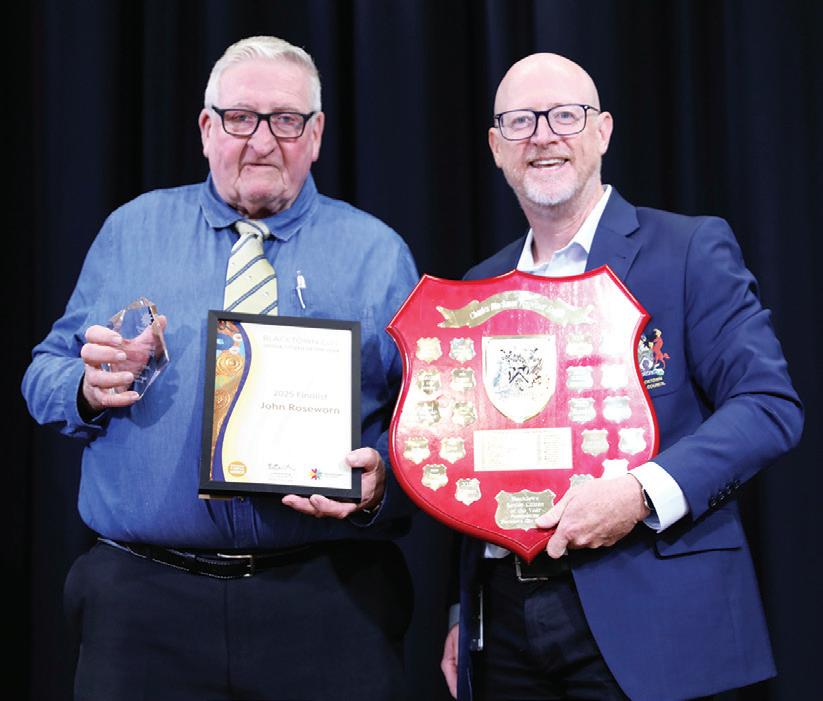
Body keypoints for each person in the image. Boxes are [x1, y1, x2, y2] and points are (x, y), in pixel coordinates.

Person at [23, 36, 419, 701]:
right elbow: (44, 374)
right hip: (144, 607)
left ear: (316, 134)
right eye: (240, 118)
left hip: (326, 601)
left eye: (285, 119)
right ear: (207, 129)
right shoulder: (132, 231)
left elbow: (427, 428)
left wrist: (382, 483)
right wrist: (86, 387)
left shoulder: (376, 254)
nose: (261, 141)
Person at [439, 53, 802, 701]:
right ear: (496, 147)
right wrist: (461, 610)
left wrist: (638, 494)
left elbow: (768, 406)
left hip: (655, 616)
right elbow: (469, 459)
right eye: (520, 121)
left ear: (602, 131)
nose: (543, 135)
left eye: (565, 116)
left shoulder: (688, 250)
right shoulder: (478, 286)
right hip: (503, 627)